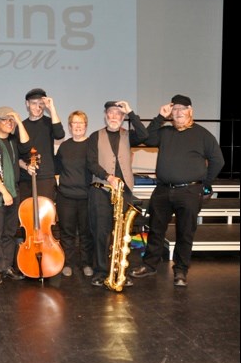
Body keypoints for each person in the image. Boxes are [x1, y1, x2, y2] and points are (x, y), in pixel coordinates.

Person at [130, 94, 224, 287]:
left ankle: (180, 271)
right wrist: (159, 117)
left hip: (189, 192)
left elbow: (218, 161)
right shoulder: (165, 132)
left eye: (183, 109)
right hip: (163, 190)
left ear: (191, 112)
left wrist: (204, 183)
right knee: (155, 229)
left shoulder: (202, 134)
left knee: (185, 232)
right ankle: (149, 265)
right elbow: (147, 139)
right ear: (171, 112)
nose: (179, 112)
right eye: (175, 109)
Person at [87, 100, 148, 288]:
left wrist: (131, 112)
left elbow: (145, 134)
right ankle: (100, 271)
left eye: (118, 114)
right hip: (101, 191)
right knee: (101, 233)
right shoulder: (95, 136)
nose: (114, 116)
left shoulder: (129, 135)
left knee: (123, 235)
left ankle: (121, 271)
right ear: (105, 115)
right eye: (111, 113)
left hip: (124, 192)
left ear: (123, 118)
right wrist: (108, 177)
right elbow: (91, 163)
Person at [0, 106, 31, 285]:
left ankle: (8, 266)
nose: (9, 123)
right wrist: (4, 192)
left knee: (10, 232)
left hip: (13, 191)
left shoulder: (13, 141)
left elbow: (25, 147)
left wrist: (19, 121)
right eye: (5, 120)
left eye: (11, 120)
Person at [54, 110, 94, 278]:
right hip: (66, 197)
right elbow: (57, 170)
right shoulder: (64, 146)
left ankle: (86, 263)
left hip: (86, 197)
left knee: (86, 233)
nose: (77, 126)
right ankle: (68, 263)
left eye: (81, 123)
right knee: (67, 233)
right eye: (74, 123)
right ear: (69, 127)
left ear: (86, 126)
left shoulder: (92, 146)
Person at [18, 88, 65, 203]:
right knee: (26, 216)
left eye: (41, 104)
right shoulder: (20, 126)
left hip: (46, 177)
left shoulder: (49, 122)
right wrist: (26, 167)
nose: (38, 107)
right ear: (27, 104)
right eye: (34, 103)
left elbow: (60, 135)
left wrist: (52, 108)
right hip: (25, 179)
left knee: (45, 215)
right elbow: (16, 156)